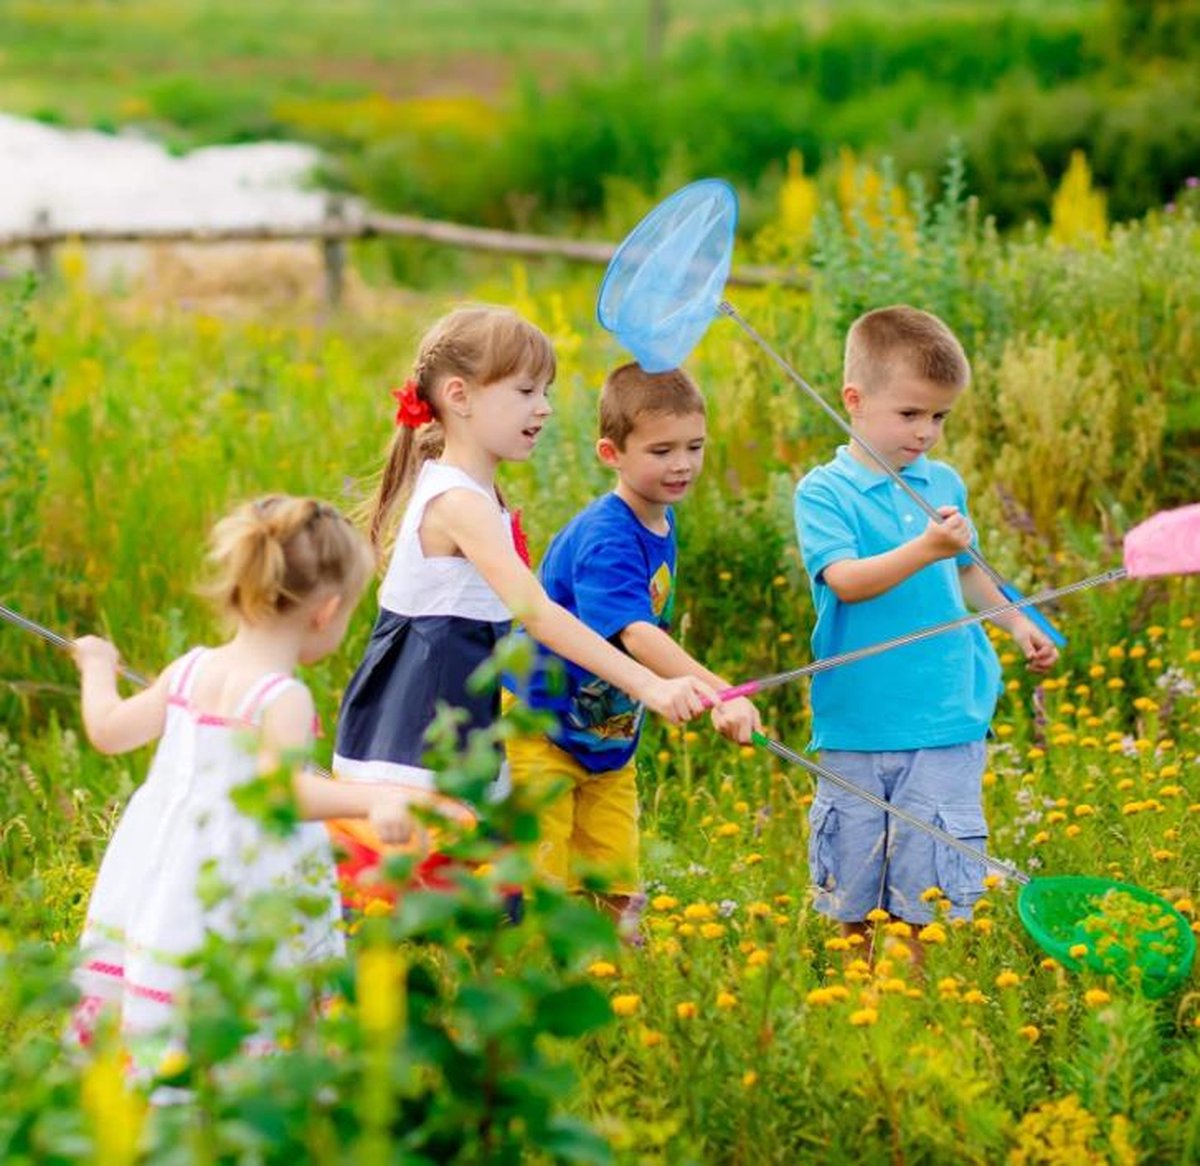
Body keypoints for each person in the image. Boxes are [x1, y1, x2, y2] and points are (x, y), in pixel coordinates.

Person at [68, 494, 416, 1072]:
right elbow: (284, 794)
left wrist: (98, 667)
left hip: (169, 883)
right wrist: (375, 797)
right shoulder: (282, 696)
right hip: (239, 886)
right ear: (326, 611)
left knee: (168, 1008)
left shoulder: (190, 668)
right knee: (245, 1012)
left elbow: (107, 729)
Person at [333, 308, 713, 819]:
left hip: (459, 720)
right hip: (415, 729)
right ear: (459, 397)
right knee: (439, 884)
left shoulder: (477, 492)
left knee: (487, 888)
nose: (545, 409)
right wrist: (649, 683)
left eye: (546, 392)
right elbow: (536, 612)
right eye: (526, 391)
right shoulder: (457, 502)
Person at [794, 305, 1058, 951]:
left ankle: (909, 1007)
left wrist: (1017, 621)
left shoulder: (941, 483)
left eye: (940, 416)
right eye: (910, 414)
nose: (927, 432)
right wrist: (926, 550)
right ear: (853, 401)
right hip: (859, 717)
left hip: (945, 713)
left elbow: (968, 571)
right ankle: (858, 1011)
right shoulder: (824, 492)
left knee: (927, 892)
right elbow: (847, 579)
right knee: (852, 890)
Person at [505, 363, 761, 927]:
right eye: (661, 450)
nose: (682, 464)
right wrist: (723, 692)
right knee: (536, 875)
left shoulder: (660, 521)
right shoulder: (607, 535)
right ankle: (523, 980)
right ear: (610, 453)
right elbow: (636, 632)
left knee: (614, 876)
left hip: (608, 738)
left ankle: (612, 987)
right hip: (541, 726)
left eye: (694, 446)